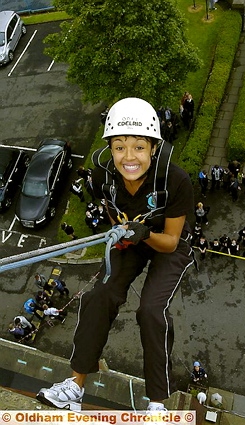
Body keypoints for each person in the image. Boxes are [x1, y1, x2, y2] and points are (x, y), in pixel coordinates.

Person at [37, 97, 195, 412]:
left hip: (166, 243)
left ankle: (158, 404)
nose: (129, 156)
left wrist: (147, 233)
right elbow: (112, 212)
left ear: (153, 147)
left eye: (139, 146)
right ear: (110, 149)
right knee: (99, 295)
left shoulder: (175, 181)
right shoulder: (103, 177)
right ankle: (74, 387)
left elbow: (172, 242)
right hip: (132, 239)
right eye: (119, 147)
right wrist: (121, 233)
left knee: (151, 310)